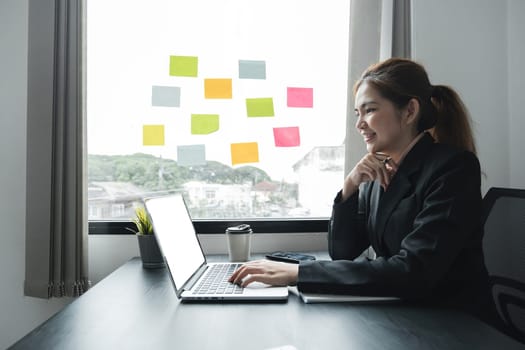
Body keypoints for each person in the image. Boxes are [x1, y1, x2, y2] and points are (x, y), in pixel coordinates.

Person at [229, 58, 495, 324]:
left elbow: (414, 271)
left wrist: (299, 273)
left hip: (452, 321)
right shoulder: (379, 170)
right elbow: (343, 250)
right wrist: (350, 186)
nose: (359, 124)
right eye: (358, 113)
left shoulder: (453, 167)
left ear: (409, 111)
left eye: (369, 110)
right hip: (403, 310)